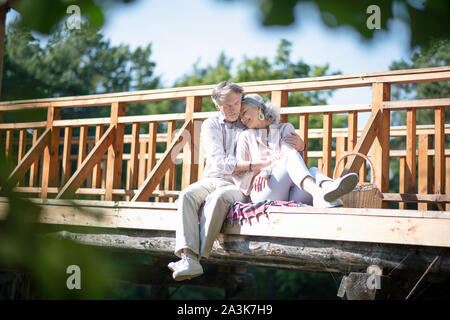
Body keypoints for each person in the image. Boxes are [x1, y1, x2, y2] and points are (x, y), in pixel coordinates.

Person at [169, 82, 305, 281]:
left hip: (239, 184)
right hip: (214, 177)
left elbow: (278, 145)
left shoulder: (248, 118)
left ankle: (198, 258)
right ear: (217, 106)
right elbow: (218, 162)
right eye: (228, 105)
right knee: (187, 195)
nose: (235, 109)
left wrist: (300, 145)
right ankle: (188, 257)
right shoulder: (211, 125)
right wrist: (255, 164)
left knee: (218, 199)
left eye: (237, 103)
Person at [232, 93, 359, 207]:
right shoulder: (245, 137)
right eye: (240, 117)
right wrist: (260, 170)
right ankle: (324, 189)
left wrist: (268, 168)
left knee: (313, 170)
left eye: (244, 112)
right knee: (297, 159)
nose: (242, 119)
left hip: (292, 193)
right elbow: (242, 174)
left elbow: (287, 156)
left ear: (258, 108)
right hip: (263, 192)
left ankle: (326, 190)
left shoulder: (285, 128)